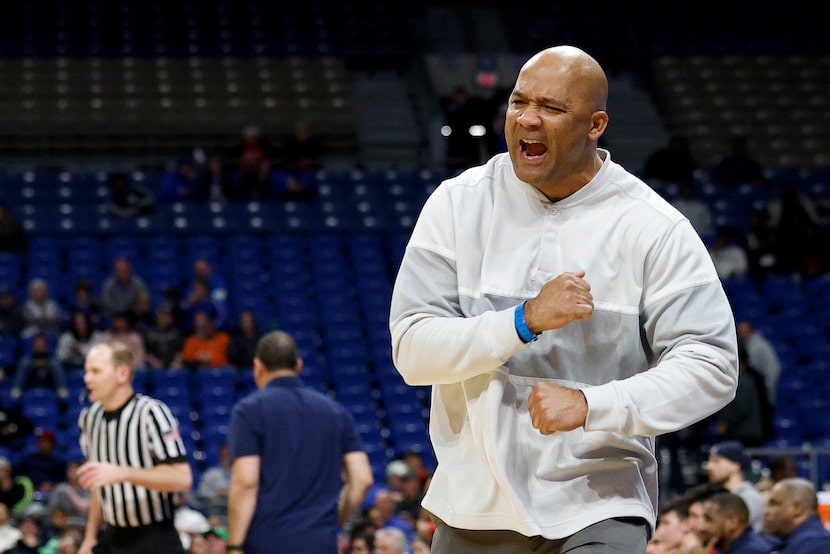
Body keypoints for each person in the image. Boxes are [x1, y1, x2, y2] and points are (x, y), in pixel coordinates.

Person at [388, 45, 739, 553]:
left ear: (595, 125)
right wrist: (523, 319)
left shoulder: (654, 227)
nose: (527, 119)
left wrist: (592, 405)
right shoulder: (456, 203)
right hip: (473, 504)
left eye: (551, 108)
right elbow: (414, 352)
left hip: (599, 501)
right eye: (518, 102)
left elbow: (712, 365)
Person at [226, 330, 374, 553]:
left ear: (258, 366)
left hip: (266, 542)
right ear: (298, 365)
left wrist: (234, 545)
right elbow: (362, 480)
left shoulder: (249, 411)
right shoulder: (335, 411)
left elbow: (246, 482)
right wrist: (335, 522)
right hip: (320, 542)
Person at [76, 340, 193, 554]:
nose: (87, 378)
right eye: (86, 371)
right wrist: (90, 537)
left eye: (96, 371)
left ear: (122, 374)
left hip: (155, 538)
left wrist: (123, 473)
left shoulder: (152, 414)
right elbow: (99, 487)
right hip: (112, 536)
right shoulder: (89, 418)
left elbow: (182, 478)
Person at [704, 441, 766, 532]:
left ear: (735, 465)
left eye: (716, 461)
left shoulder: (749, 498)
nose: (709, 466)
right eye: (709, 461)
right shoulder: (717, 494)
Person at [763, 477, 830, 553]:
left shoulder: (817, 545)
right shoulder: (794, 541)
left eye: (774, 504)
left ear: (797, 508)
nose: (767, 512)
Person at [697, 492, 779, 553]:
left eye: (709, 520)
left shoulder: (754, 551)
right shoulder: (727, 549)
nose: (701, 527)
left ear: (733, 523)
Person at [11, 331, 68, 401]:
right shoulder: (27, 360)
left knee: (55, 363)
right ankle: (17, 391)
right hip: (31, 377)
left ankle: (61, 391)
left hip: (49, 376)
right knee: (24, 362)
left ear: (47, 347)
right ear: (33, 347)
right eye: (38, 346)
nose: (40, 348)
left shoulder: (53, 361)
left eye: (42, 346)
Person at [736, 320, 782, 408]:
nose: (741, 334)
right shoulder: (753, 344)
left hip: (763, 392)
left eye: (744, 331)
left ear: (750, 331)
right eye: (740, 332)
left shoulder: (756, 346)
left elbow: (750, 369)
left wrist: (765, 390)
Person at [15, 428, 67, 494]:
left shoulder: (58, 462)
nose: (43, 444)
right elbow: (18, 474)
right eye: (41, 441)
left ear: (52, 444)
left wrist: (51, 484)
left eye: (46, 442)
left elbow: (62, 480)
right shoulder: (28, 458)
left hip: (48, 492)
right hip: (27, 490)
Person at [196, 443, 231, 518]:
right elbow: (202, 494)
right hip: (215, 513)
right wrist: (218, 493)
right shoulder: (211, 474)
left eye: (228, 455)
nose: (226, 458)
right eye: (223, 455)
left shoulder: (242, 474)